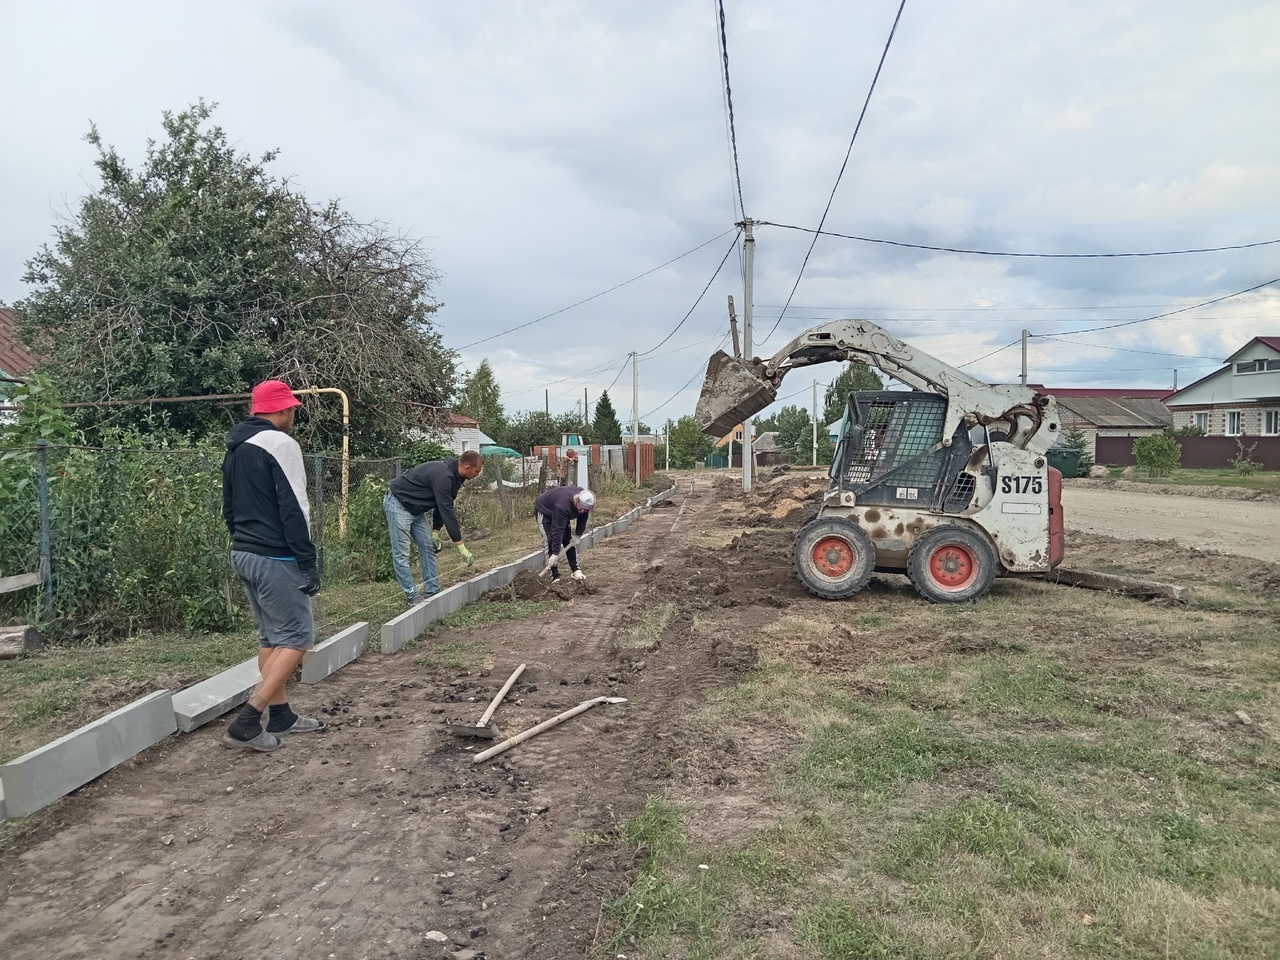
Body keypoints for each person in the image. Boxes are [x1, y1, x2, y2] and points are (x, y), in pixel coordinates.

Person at [220, 379, 325, 753]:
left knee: (271, 637)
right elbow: (295, 508)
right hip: (276, 556)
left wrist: (243, 542)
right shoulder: (281, 444)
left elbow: (229, 507)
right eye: (292, 409)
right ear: (281, 410)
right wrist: (307, 561)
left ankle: (281, 715)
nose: (293, 414)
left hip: (245, 552)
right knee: (297, 637)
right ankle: (248, 721)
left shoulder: (236, 448)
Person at [385, 449, 484, 605]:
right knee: (401, 553)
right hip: (399, 504)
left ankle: (433, 591)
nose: (477, 474)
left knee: (428, 547)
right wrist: (461, 546)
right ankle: (412, 595)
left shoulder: (457, 478)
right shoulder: (443, 476)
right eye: (476, 471)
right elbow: (447, 512)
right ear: (466, 467)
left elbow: (443, 504)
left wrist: (436, 532)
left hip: (416, 510)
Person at [535, 485, 595, 582]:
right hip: (546, 511)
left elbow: (583, 519)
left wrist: (578, 535)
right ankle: (554, 576)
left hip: (560, 513)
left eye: (586, 509)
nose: (583, 511)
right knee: (550, 539)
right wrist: (555, 553)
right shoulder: (563, 505)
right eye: (582, 508)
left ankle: (576, 570)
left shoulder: (584, 503)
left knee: (568, 539)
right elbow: (557, 530)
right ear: (577, 501)